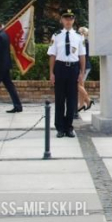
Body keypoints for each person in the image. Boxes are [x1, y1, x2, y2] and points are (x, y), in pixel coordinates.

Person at [48, 10, 86, 138]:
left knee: (72, 100)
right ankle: (60, 127)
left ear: (73, 20)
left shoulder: (79, 36)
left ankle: (69, 127)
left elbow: (82, 55)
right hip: (60, 68)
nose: (68, 21)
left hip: (73, 69)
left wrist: (81, 73)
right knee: (59, 99)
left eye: (70, 19)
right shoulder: (56, 36)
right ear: (61, 20)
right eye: (65, 19)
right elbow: (52, 55)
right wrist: (51, 73)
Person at [0, 19, 23, 113]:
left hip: (1, 65)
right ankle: (18, 106)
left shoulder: (0, 36)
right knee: (9, 86)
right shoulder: (4, 34)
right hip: (4, 65)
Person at [77, 26, 95, 113]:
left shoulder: (85, 42)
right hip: (84, 67)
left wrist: (82, 69)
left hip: (83, 67)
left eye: (80, 32)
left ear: (84, 34)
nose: (79, 34)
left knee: (76, 84)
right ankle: (81, 105)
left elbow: (84, 57)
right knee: (81, 85)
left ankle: (88, 100)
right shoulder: (85, 42)